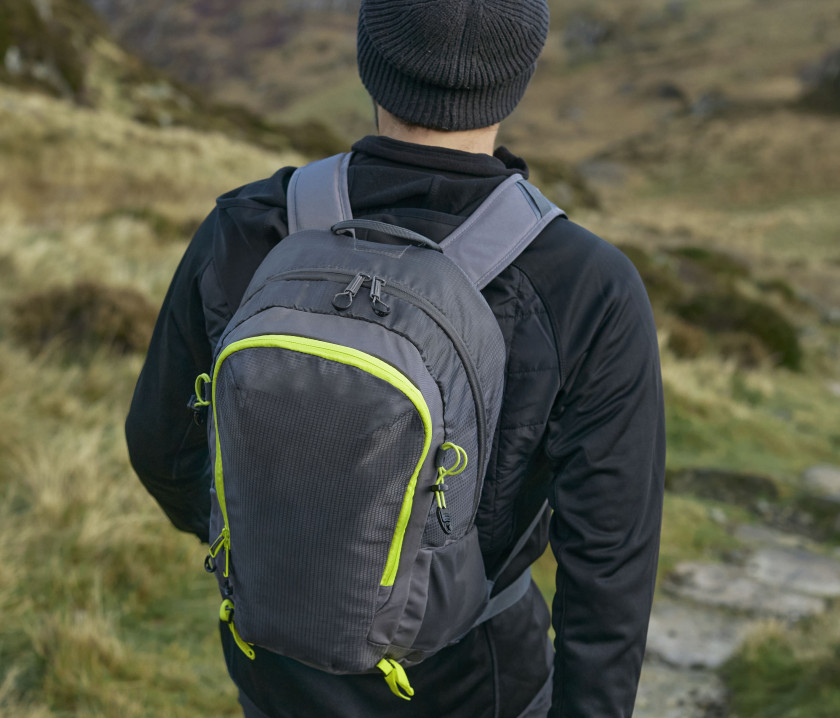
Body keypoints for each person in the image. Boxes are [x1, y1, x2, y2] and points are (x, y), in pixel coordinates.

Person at [125, 1, 665, 716]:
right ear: (518, 77)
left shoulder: (248, 226)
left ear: (368, 55)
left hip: (277, 668)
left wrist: (274, 554)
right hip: (475, 680)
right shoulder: (586, 284)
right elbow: (610, 567)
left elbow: (160, 448)